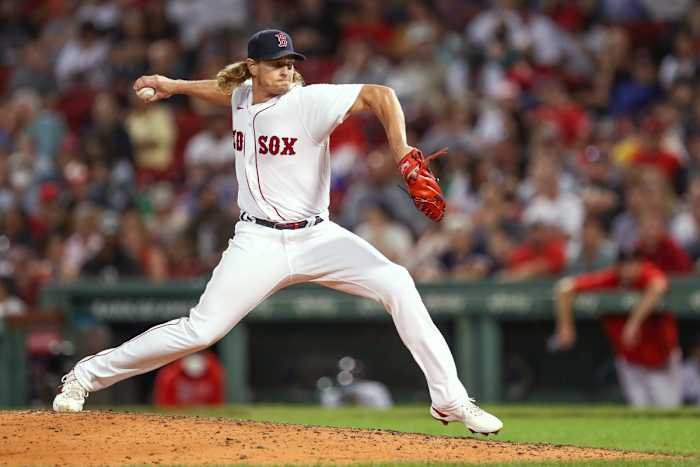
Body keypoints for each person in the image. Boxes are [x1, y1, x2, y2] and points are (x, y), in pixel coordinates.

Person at [52, 29, 502, 435]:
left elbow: (379, 94)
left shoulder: (306, 102)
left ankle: (450, 399)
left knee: (398, 283)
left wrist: (401, 149)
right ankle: (85, 377)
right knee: (200, 331)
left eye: (291, 62)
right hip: (258, 242)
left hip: (317, 237)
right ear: (254, 67)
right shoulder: (244, 95)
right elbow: (224, 91)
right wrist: (174, 86)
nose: (287, 69)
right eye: (277, 63)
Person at [553, 250, 682, 407]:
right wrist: (566, 326)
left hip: (660, 358)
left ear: (641, 264)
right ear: (618, 266)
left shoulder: (648, 274)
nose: (629, 270)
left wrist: (633, 323)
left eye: (633, 264)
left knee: (668, 408)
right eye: (625, 265)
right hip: (630, 359)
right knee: (640, 411)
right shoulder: (610, 278)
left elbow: (658, 286)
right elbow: (564, 287)